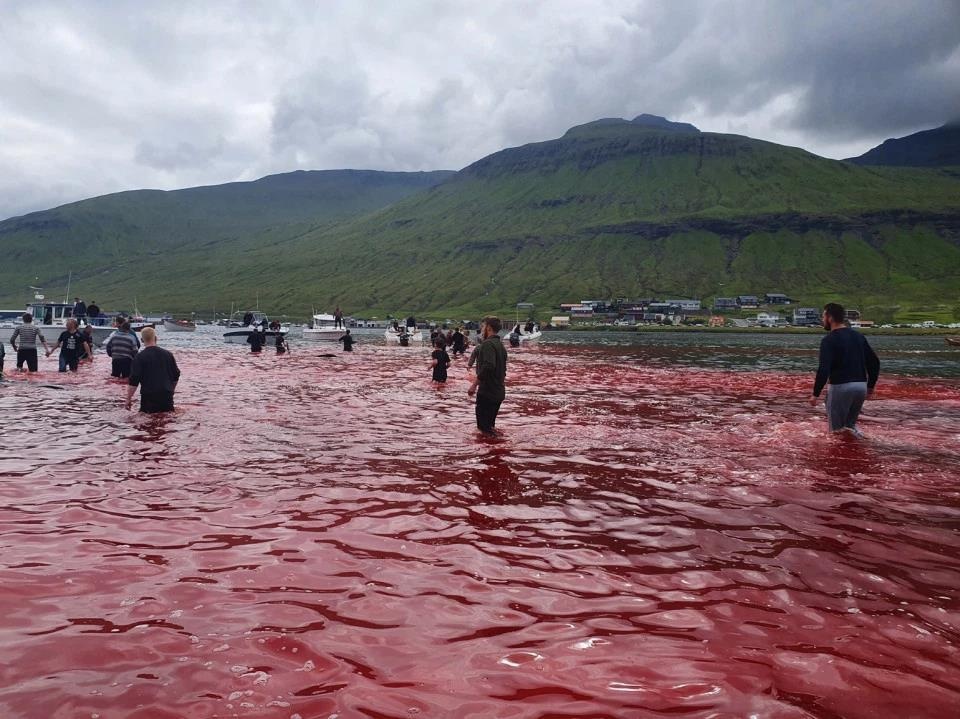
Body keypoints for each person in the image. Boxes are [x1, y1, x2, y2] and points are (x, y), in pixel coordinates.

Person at [810, 302, 880, 436]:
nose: (822, 320)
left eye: (823, 316)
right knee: (850, 427)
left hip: (840, 387)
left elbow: (824, 369)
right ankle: (864, 443)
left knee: (836, 432)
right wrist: (870, 386)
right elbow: (874, 362)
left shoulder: (829, 340)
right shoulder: (858, 336)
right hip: (860, 387)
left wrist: (815, 394)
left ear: (830, 318)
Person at [468, 316, 508, 436]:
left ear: (489, 328)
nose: (482, 330)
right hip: (498, 391)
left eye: (483, 327)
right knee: (490, 427)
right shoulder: (501, 345)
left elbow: (488, 366)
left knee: (483, 430)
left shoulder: (487, 344)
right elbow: (503, 370)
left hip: (487, 392)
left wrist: (474, 385)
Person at [126, 327, 180, 413]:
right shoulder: (168, 354)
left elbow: (134, 381)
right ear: (156, 338)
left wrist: (128, 398)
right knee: (167, 418)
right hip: (166, 395)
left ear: (142, 340)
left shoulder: (139, 357)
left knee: (147, 419)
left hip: (149, 396)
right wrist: (171, 390)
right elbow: (176, 376)